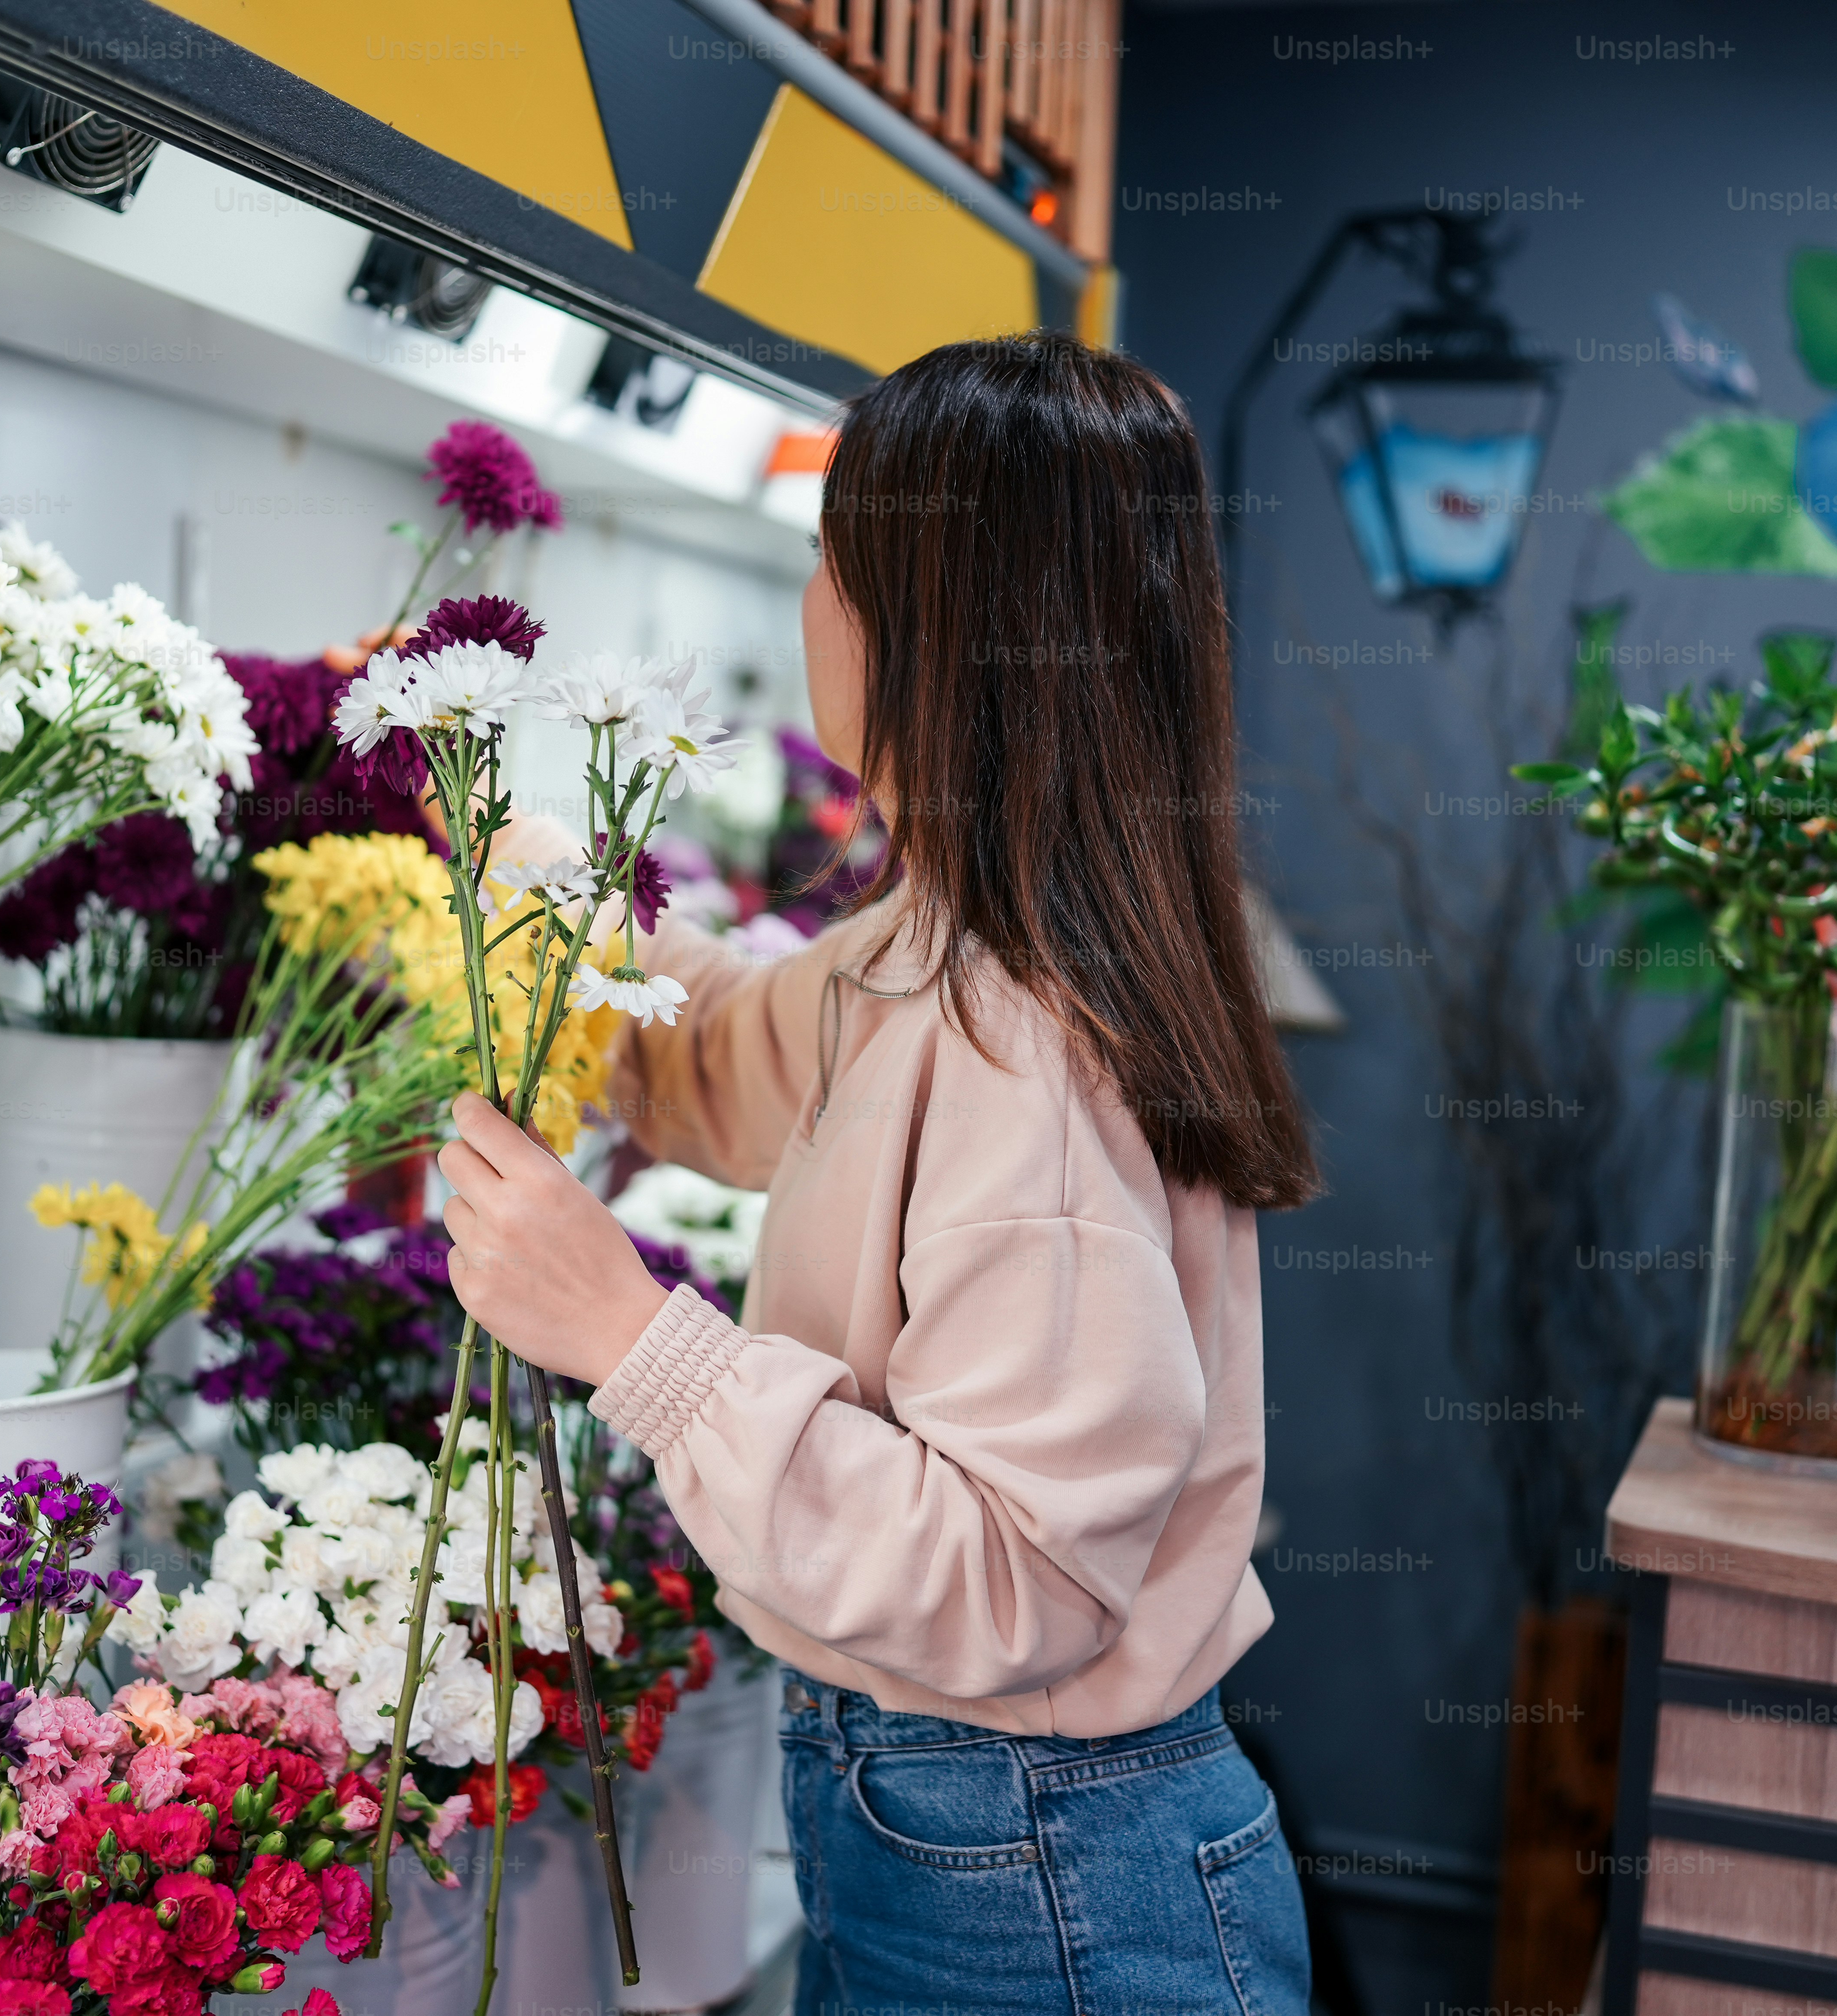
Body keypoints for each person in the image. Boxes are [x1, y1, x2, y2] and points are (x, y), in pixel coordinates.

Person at [435, 331, 1320, 2016]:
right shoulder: (957, 942)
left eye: (830, 561)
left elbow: (1019, 1578)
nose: (810, 603)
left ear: (932, 622)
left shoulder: (1023, 1045)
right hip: (979, 1826)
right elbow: (734, 1061)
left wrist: (637, 1341)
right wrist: (538, 884)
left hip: (1036, 1861)